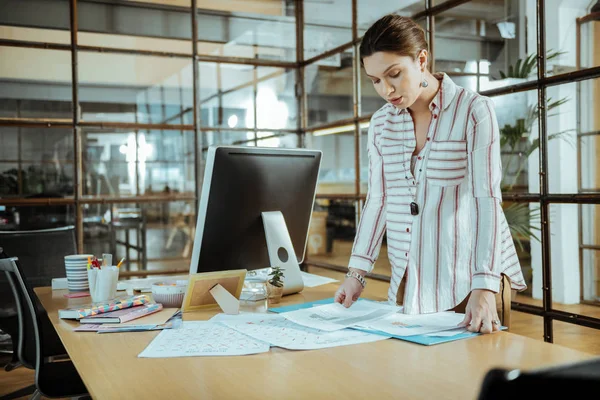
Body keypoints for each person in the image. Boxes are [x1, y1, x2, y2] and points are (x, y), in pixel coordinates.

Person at [334, 14, 527, 334]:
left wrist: (485, 285)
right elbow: (378, 200)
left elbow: (486, 199)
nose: (386, 89)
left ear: (421, 60)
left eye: (394, 74)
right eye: (375, 80)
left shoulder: (473, 111)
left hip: (469, 278)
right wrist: (356, 274)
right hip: (409, 276)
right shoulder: (381, 125)